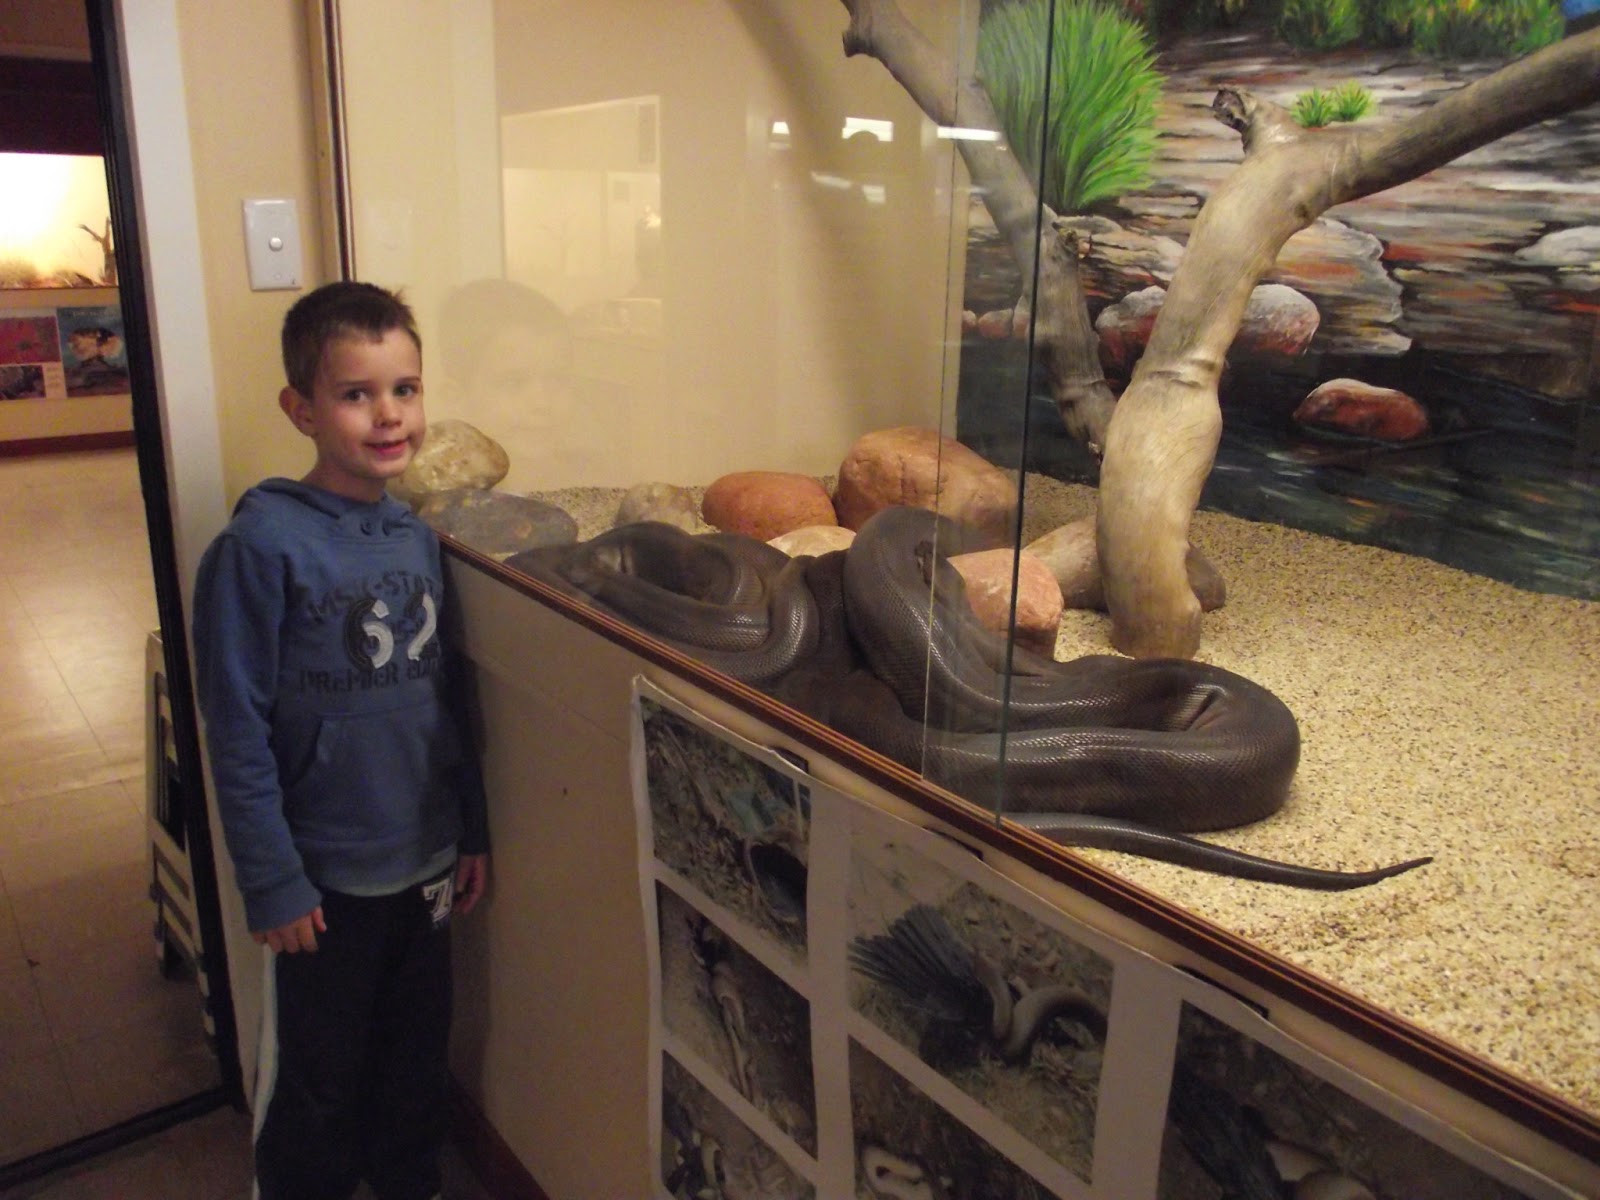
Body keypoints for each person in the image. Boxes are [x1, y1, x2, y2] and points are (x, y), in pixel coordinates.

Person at [191, 281, 490, 1200]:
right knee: (317, 1078)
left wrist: (469, 828)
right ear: (302, 409)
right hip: (322, 881)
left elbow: (444, 700)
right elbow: (234, 727)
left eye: (405, 389)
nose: (388, 415)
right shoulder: (260, 547)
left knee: (412, 1057)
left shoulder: (414, 538)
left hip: (426, 861)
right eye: (357, 393)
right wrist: (272, 877)